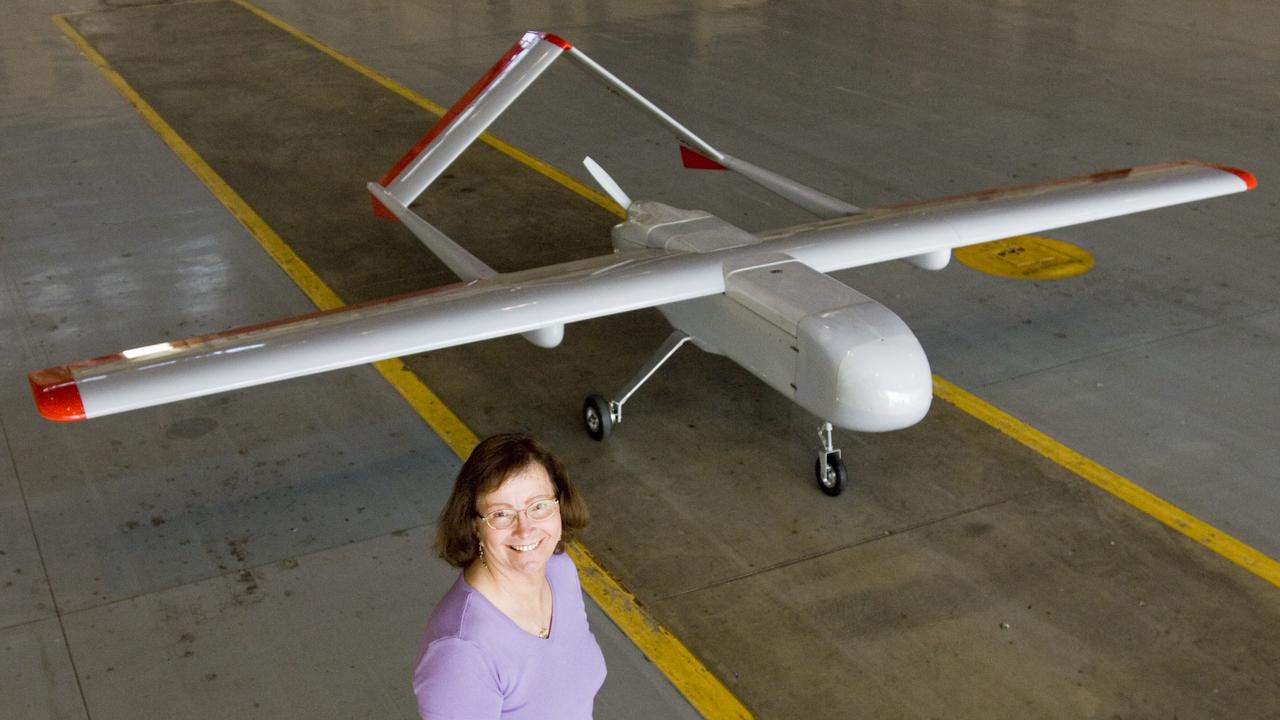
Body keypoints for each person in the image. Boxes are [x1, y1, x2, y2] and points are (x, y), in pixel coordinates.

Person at [413, 433, 606, 719]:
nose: (525, 529)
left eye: (539, 506)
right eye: (502, 514)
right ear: (474, 525)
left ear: (559, 504)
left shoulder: (559, 569)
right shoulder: (461, 651)